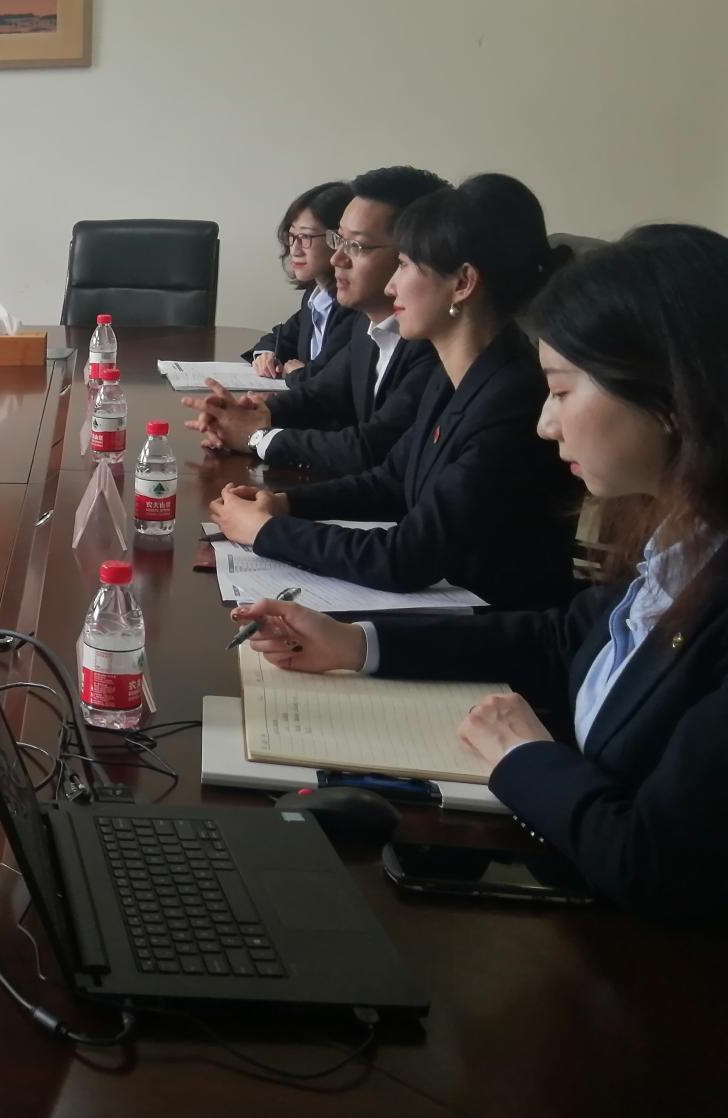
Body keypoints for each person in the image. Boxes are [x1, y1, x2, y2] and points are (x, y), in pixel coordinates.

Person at [230, 225, 728, 920]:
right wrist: (356, 643)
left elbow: (654, 864)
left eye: (562, 392)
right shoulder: (685, 540)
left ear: (671, 400)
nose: (546, 424)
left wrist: (524, 757)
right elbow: (561, 639)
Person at [209, 175, 578, 610]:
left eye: (403, 265)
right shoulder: (454, 375)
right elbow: (391, 480)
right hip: (450, 608)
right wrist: (283, 504)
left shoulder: (511, 398)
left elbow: (406, 557)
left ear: (462, 283)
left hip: (491, 625)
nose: (390, 286)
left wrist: (267, 531)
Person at [187, 166, 446, 476]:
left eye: (357, 246)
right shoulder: (368, 327)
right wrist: (248, 414)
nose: (337, 259)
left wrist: (255, 436)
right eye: (339, 240)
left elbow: (372, 448)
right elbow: (319, 395)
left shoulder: (434, 346)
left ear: (414, 254)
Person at [242, 181, 358, 382]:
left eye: (305, 236)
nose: (294, 250)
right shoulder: (315, 296)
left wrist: (298, 375)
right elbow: (280, 337)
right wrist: (266, 355)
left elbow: (329, 378)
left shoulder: (353, 308)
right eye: (291, 235)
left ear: (338, 239)